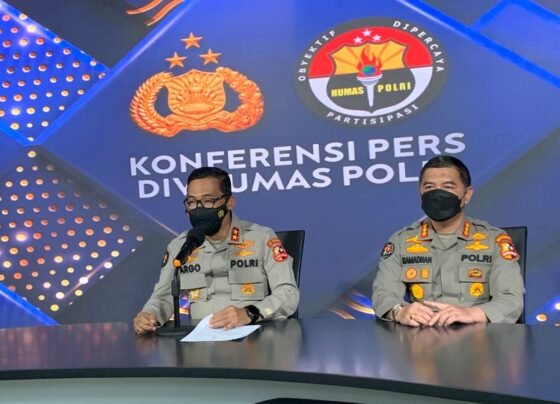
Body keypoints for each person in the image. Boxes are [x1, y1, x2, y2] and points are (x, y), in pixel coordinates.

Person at [134, 167, 299, 334]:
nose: (199, 209)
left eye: (208, 201)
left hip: (254, 337)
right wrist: (149, 316)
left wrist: (250, 313)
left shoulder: (262, 238)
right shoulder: (181, 246)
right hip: (199, 342)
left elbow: (288, 294)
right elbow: (163, 297)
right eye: (191, 202)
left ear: (229, 202)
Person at [372, 155, 524, 326]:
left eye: (448, 187)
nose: (437, 194)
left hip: (477, 334)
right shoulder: (401, 241)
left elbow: (511, 298)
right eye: (429, 187)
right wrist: (399, 311)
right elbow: (383, 294)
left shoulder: (495, 240)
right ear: (420, 192)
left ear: (467, 195)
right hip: (421, 335)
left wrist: (473, 313)